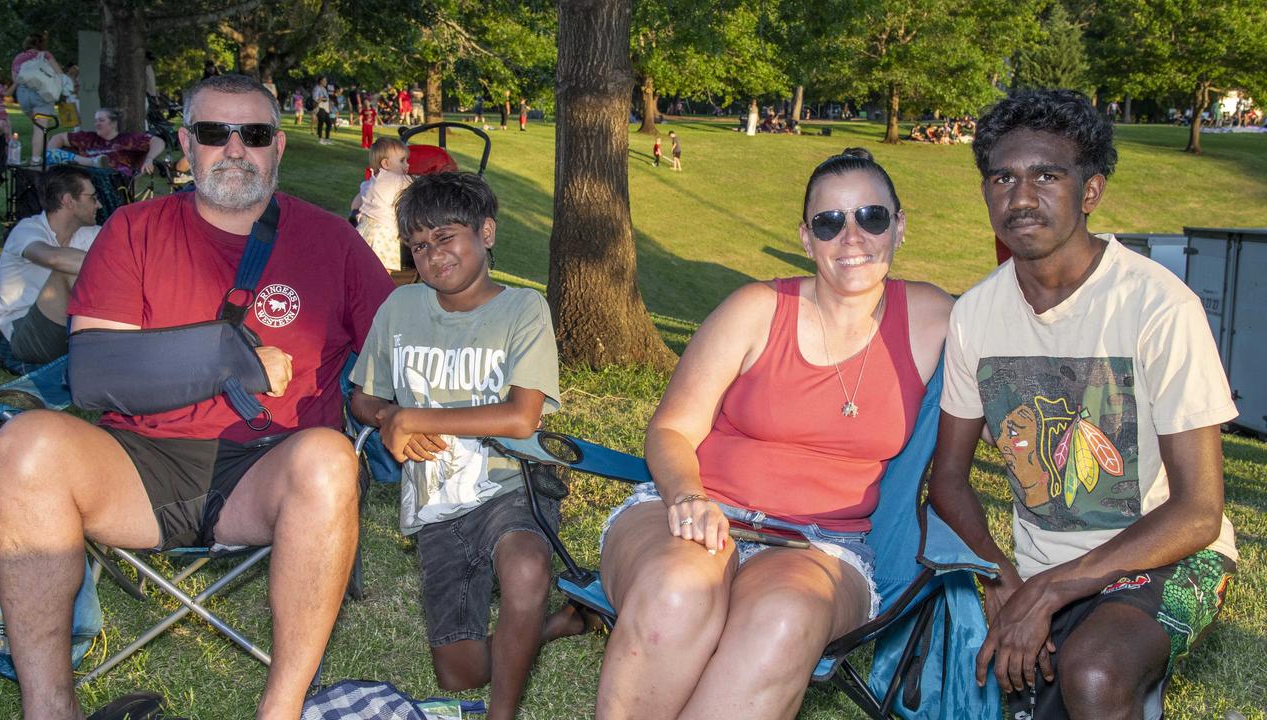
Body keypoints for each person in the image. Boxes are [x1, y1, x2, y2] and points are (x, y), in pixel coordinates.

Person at [0, 72, 394, 720]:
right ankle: (49, 708)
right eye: (214, 132)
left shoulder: (332, 243)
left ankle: (279, 712)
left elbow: (402, 345)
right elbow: (96, 372)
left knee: (328, 459)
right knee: (22, 447)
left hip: (267, 467)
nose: (235, 149)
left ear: (278, 147)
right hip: (138, 460)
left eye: (254, 133)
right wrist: (231, 359)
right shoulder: (133, 230)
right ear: (185, 143)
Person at [596, 148, 954, 719]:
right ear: (807, 239)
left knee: (785, 619)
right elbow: (671, 429)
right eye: (829, 222)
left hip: (822, 545)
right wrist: (689, 498)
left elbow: (1018, 378)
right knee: (677, 591)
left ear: (900, 225)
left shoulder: (935, 317)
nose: (852, 237)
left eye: (872, 217)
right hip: (695, 511)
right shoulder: (756, 309)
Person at [927, 89, 1238, 720]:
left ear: (1089, 192)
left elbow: (1199, 512)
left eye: (1047, 175)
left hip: (1170, 557)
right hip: (1045, 570)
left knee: (1092, 672)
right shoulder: (975, 316)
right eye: (1002, 178)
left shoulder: (1157, 307)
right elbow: (949, 480)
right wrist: (1002, 582)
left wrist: (1049, 592)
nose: (1020, 197)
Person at [349, 171, 586, 720]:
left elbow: (522, 417)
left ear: (486, 232)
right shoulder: (400, 310)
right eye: (419, 246)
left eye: (446, 236)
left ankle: (503, 714)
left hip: (513, 480)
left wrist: (413, 415)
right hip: (435, 499)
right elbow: (364, 399)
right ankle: (559, 625)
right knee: (459, 671)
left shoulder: (522, 309)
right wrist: (389, 415)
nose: (433, 255)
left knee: (527, 568)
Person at [0, 165, 100, 364]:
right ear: (68, 201)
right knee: (66, 272)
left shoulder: (90, 233)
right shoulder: (27, 230)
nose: (99, 205)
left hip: (69, 326)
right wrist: (114, 266)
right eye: (92, 198)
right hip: (25, 333)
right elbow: (52, 258)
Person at [47, 107, 165, 177]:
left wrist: (149, 159)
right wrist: (50, 161)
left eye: (101, 120)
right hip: (83, 181)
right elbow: (58, 138)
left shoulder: (128, 139)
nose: (97, 123)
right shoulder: (87, 137)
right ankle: (91, 162)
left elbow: (158, 141)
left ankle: (92, 162)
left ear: (113, 123)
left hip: (114, 182)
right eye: (96, 120)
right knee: (52, 155)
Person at [353, 137, 411, 272]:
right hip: (384, 233)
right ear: (386, 164)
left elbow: (354, 205)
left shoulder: (369, 182)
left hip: (363, 230)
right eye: (402, 161)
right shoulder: (398, 180)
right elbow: (419, 187)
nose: (407, 165)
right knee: (383, 273)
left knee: (365, 270)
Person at [12, 31, 64, 165]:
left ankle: (47, 154)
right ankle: (36, 160)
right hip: (42, 95)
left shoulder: (18, 58)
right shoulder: (45, 55)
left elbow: (15, 79)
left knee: (40, 128)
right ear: (42, 44)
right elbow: (59, 73)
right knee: (40, 128)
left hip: (23, 95)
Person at [312, 76, 333, 144]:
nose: (326, 82)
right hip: (320, 107)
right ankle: (320, 139)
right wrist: (323, 99)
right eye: (324, 81)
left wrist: (329, 104)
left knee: (329, 123)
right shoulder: (317, 88)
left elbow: (327, 98)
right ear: (320, 81)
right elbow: (315, 98)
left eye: (326, 81)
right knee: (321, 123)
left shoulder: (324, 89)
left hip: (325, 108)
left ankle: (327, 139)